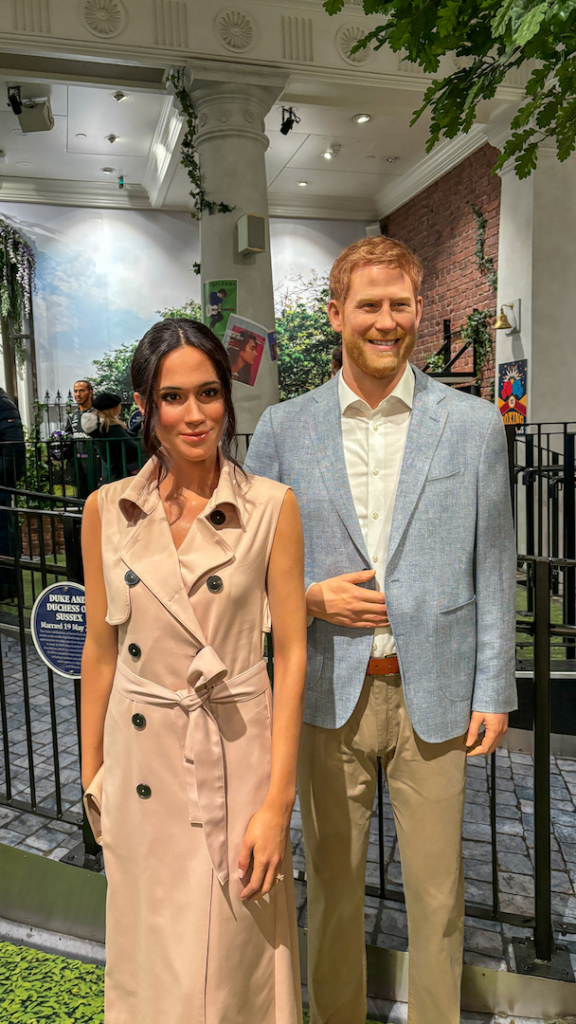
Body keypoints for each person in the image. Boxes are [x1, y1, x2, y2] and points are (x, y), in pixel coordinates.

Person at [244, 235, 517, 1024]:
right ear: (336, 314)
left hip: (435, 697)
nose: (385, 320)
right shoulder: (285, 431)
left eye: (400, 304)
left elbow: (494, 564)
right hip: (326, 696)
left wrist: (494, 688)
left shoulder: (470, 426)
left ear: (420, 311)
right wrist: (312, 597)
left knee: (438, 898)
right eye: (369, 304)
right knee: (330, 887)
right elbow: (250, 574)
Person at [80, 318, 306, 1024]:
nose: (195, 414)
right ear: (144, 404)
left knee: (235, 960)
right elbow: (100, 650)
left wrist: (278, 803)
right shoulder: (106, 511)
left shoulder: (271, 506)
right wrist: (94, 779)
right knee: (153, 957)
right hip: (140, 758)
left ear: (227, 399)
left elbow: (292, 655)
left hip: (236, 757)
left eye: (208, 393)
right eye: (173, 397)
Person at [81, 392, 140, 483]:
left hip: (108, 475)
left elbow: (125, 435)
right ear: (113, 408)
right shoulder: (112, 428)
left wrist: (139, 425)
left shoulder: (102, 427)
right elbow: (133, 449)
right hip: (120, 476)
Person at [0, 389, 25, 601]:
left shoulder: (3, 404)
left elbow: (13, 451)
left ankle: (7, 585)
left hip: (1, 485)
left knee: (3, 533)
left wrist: (6, 477)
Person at [65, 379, 95, 497]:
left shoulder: (98, 414)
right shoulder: (72, 416)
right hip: (78, 463)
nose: (78, 394)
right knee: (81, 497)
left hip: (95, 462)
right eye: (75, 391)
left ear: (90, 393)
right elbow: (67, 437)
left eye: (82, 391)